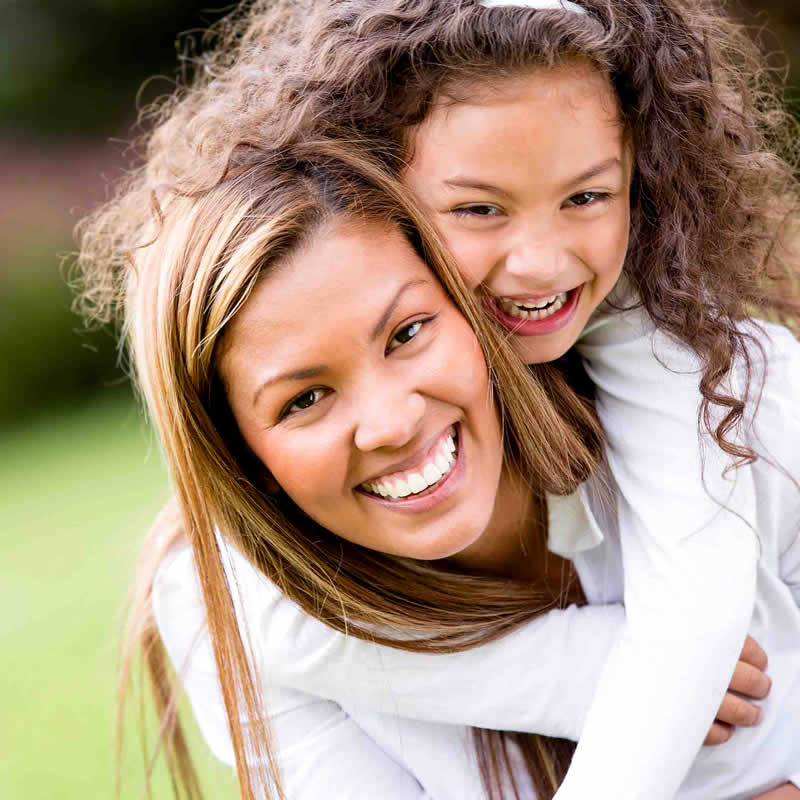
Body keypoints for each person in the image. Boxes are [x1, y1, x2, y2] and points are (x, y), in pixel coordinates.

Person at [133, 0, 800, 795]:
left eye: (407, 332)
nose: (540, 263)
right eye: (479, 209)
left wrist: (655, 670)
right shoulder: (229, 609)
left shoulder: (726, 392)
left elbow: (702, 619)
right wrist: (584, 668)